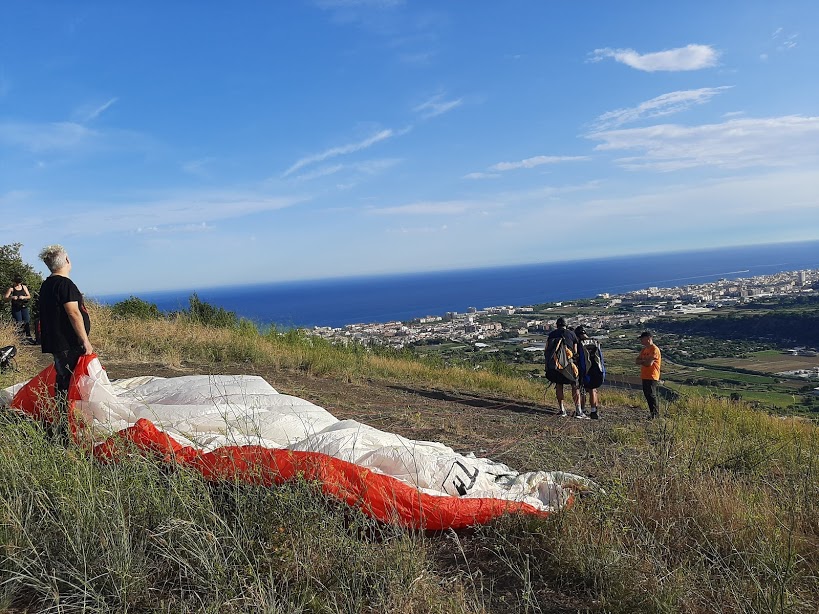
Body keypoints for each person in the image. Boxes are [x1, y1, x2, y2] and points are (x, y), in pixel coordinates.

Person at [38, 245, 94, 441]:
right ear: (67, 261)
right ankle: (67, 426)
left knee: (63, 380)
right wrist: (84, 341)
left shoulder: (47, 285)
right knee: (69, 382)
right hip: (68, 343)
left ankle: (64, 421)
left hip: (57, 342)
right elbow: (73, 312)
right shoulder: (65, 285)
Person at [547, 317, 587, 418]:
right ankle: (578, 411)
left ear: (557, 325)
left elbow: (547, 351)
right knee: (575, 386)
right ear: (566, 325)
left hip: (555, 365)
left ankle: (562, 409)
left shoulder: (551, 335)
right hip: (568, 366)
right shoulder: (571, 334)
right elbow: (575, 352)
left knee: (559, 386)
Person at [574, 325, 600, 420]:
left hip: (585, 370)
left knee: (582, 391)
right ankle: (594, 411)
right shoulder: (595, 341)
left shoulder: (580, 343)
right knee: (593, 389)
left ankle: (583, 409)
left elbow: (577, 357)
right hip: (596, 369)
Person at [635, 330, 662, 419]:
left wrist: (642, 361)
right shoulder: (644, 349)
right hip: (645, 375)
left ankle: (655, 415)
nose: (641, 341)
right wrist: (644, 361)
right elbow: (637, 361)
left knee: (651, 395)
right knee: (648, 395)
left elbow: (648, 364)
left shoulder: (654, 349)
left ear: (648, 339)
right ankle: (653, 414)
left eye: (642, 339)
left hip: (652, 375)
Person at [4, 274, 33, 340]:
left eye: (19, 283)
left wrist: (23, 297)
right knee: (18, 322)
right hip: (16, 307)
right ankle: (19, 338)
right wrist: (12, 297)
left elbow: (29, 296)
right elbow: (5, 298)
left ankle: (28, 336)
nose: (18, 284)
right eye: (17, 282)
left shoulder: (24, 287)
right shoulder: (11, 288)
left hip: (24, 306)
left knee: (26, 321)